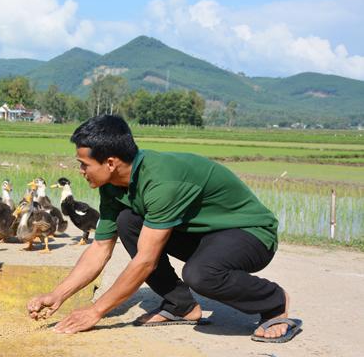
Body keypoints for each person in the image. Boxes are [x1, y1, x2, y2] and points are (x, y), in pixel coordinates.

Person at [27, 115, 302, 343]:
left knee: (200, 274)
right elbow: (100, 247)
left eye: (84, 165)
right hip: (203, 236)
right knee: (128, 222)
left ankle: (274, 302)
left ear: (110, 163)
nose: (81, 171)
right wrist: (57, 295)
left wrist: (96, 311)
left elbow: (145, 261)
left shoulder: (161, 182)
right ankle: (182, 305)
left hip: (250, 233)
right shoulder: (112, 186)